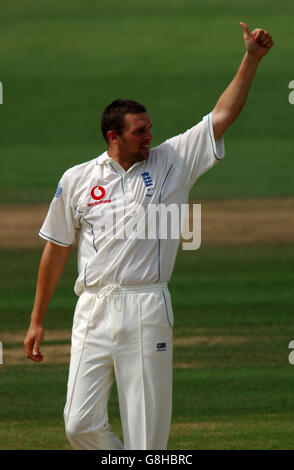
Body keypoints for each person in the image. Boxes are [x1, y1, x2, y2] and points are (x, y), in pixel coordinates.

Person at [24, 23, 273, 450]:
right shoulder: (78, 178)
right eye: (140, 131)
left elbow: (222, 116)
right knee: (78, 425)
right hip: (92, 309)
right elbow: (57, 248)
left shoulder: (171, 161)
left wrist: (251, 58)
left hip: (146, 305)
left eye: (150, 128)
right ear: (113, 136)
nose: (150, 137)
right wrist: (36, 320)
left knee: (147, 437)